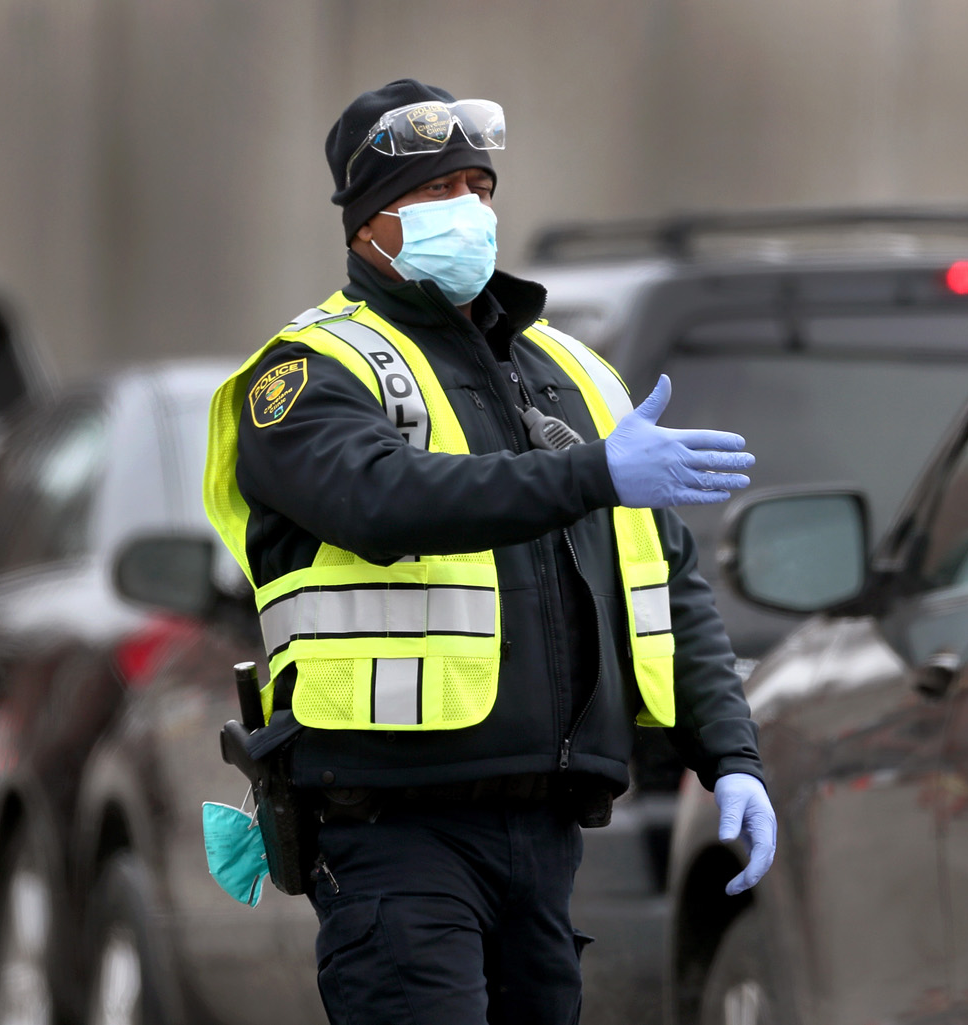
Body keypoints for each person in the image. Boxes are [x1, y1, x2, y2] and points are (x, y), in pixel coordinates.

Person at [203, 78, 776, 1025]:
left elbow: (666, 579)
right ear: (367, 223)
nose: (466, 210)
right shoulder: (311, 371)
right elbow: (382, 501)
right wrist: (590, 472)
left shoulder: (575, 372)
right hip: (394, 830)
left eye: (478, 185)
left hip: (545, 833)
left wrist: (731, 754)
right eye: (434, 193)